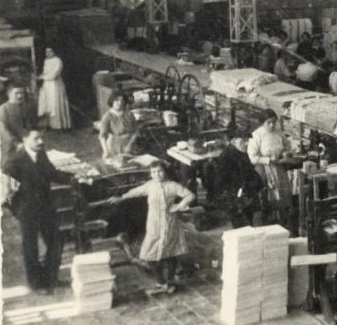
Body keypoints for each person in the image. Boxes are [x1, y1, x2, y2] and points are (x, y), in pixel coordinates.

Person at [3, 129, 76, 294]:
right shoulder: (14, 162)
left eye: (42, 137)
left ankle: (50, 278)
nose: (41, 141)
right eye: (36, 138)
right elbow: (4, 193)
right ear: (25, 139)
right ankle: (36, 284)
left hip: (46, 207)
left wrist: (76, 178)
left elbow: (52, 173)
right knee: (31, 247)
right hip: (27, 211)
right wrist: (18, 211)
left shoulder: (41, 154)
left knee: (56, 241)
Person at [107, 161, 195, 294]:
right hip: (153, 223)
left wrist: (179, 206)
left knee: (170, 253)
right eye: (154, 172)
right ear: (150, 173)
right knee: (149, 255)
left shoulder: (173, 185)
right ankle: (162, 282)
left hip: (169, 223)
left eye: (160, 171)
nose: (157, 174)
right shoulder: (150, 185)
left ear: (165, 172)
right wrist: (121, 198)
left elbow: (190, 195)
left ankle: (168, 283)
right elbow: (136, 192)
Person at [211, 131, 264, 227]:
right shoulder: (227, 156)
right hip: (236, 194)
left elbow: (249, 171)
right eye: (243, 140)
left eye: (247, 140)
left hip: (246, 191)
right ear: (233, 141)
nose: (247, 143)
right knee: (240, 221)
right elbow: (224, 179)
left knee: (250, 219)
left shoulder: (241, 152)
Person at [247, 111, 292, 210]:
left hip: (279, 168)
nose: (272, 125)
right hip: (264, 170)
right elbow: (252, 158)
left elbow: (287, 145)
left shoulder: (279, 133)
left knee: (283, 195)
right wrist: (268, 160)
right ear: (263, 122)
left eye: (274, 122)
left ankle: (283, 217)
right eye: (269, 122)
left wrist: (285, 152)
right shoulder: (256, 135)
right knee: (268, 197)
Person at [37, 47, 72, 130]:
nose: (48, 53)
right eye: (46, 52)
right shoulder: (46, 61)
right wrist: (40, 77)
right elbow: (45, 73)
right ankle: (50, 124)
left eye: (50, 51)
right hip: (47, 85)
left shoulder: (58, 61)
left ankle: (61, 125)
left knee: (56, 103)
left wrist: (42, 77)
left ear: (54, 52)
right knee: (48, 103)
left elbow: (53, 75)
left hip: (55, 85)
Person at [0, 86, 37, 159]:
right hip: (10, 145)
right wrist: (16, 143)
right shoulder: (3, 109)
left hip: (24, 143)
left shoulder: (24, 108)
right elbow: (3, 131)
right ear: (9, 94)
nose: (20, 96)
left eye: (22, 93)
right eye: (16, 93)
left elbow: (28, 127)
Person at [98, 93, 138, 160]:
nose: (120, 102)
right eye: (117, 100)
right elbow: (102, 136)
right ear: (112, 101)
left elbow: (136, 131)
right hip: (114, 145)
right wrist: (106, 150)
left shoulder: (130, 114)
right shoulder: (108, 116)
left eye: (122, 100)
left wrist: (129, 145)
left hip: (129, 143)